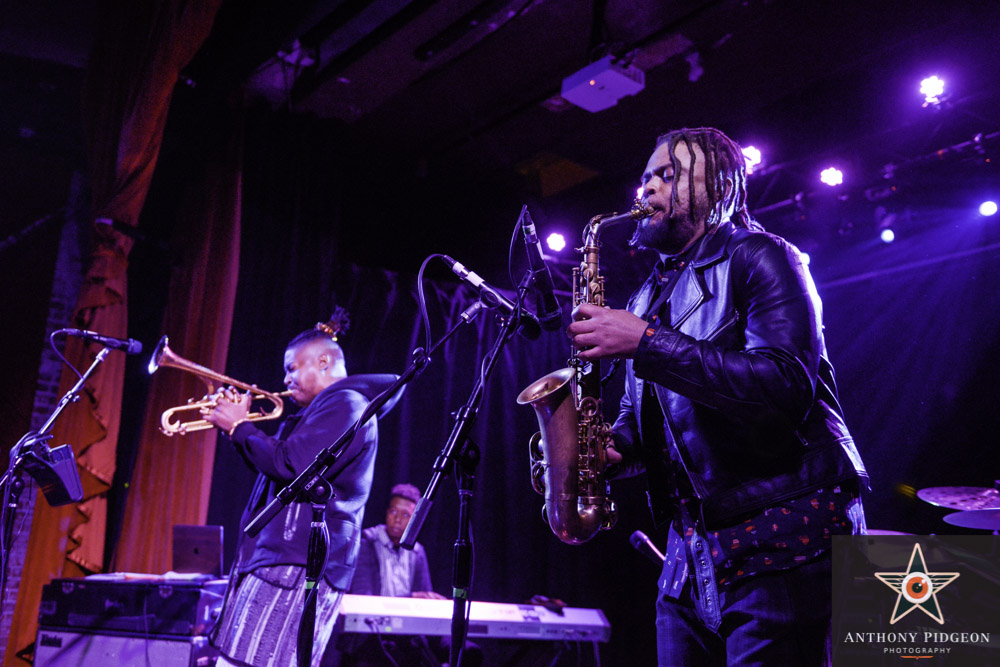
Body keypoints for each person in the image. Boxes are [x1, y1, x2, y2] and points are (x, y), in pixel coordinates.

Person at [566, 127, 868, 666]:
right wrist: (610, 451)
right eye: (645, 177)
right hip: (690, 559)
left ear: (721, 184)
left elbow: (785, 386)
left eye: (669, 174)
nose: (649, 188)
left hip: (782, 537)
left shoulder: (763, 256)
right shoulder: (645, 295)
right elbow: (645, 423)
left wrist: (646, 341)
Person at [204, 311, 402, 667]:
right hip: (289, 562)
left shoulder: (346, 404)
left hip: (294, 565)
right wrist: (240, 432)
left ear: (323, 361)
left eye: (292, 368)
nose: (285, 378)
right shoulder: (327, 410)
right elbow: (283, 469)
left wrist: (240, 428)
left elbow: (291, 466)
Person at [350, 482, 445, 600]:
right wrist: (411, 597)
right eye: (393, 512)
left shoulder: (417, 551)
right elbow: (363, 597)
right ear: (387, 512)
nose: (397, 519)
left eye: (405, 515)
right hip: (374, 616)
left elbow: (424, 597)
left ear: (413, 520)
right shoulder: (367, 542)